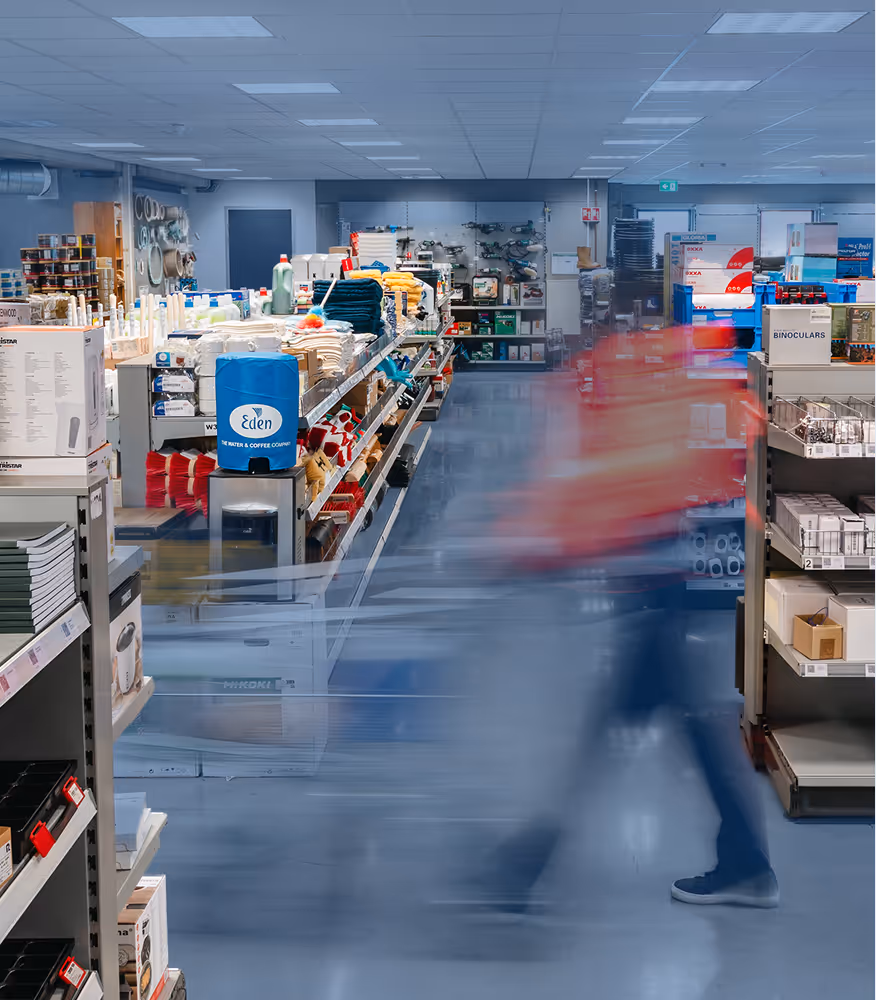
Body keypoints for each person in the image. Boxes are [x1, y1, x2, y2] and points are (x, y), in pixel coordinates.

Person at [484, 324, 778, 909]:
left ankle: (524, 865)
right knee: (670, 729)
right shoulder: (664, 374)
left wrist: (534, 543)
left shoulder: (623, 380)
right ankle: (744, 861)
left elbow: (609, 482)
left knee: (617, 734)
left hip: (650, 591)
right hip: (653, 585)